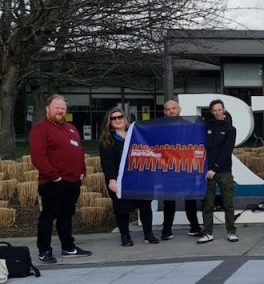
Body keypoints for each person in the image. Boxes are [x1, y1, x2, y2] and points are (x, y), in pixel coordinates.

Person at [31, 94, 92, 263]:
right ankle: (44, 250)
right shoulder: (40, 128)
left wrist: (82, 171)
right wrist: (54, 176)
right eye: (56, 107)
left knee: (66, 215)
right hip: (53, 182)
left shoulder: (71, 128)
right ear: (47, 109)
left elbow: (79, 150)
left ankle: (68, 247)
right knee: (48, 216)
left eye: (63, 108)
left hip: (73, 181)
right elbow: (38, 156)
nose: (60, 111)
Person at [99, 108, 159, 246]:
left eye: (120, 117)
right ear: (109, 122)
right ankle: (125, 236)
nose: (117, 120)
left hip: (141, 178)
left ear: (125, 118)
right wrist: (112, 179)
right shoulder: (107, 140)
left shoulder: (136, 135)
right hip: (120, 180)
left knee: (145, 206)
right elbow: (107, 162)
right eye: (113, 118)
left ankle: (148, 234)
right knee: (122, 209)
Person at [159, 99, 202, 240]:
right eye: (167, 109)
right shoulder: (158, 128)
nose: (171, 111)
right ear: (164, 112)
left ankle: (195, 227)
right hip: (168, 169)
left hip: (186, 168)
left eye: (173, 108)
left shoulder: (189, 126)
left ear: (179, 109)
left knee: (190, 199)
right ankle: (166, 230)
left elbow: (196, 146)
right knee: (169, 201)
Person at [198, 99, 238, 244]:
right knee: (208, 204)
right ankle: (208, 233)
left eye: (219, 110)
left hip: (224, 171)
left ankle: (231, 232)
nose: (217, 113)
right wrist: (208, 169)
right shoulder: (206, 126)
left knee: (228, 203)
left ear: (224, 110)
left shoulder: (230, 129)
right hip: (207, 172)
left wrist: (214, 168)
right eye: (214, 110)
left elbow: (226, 151)